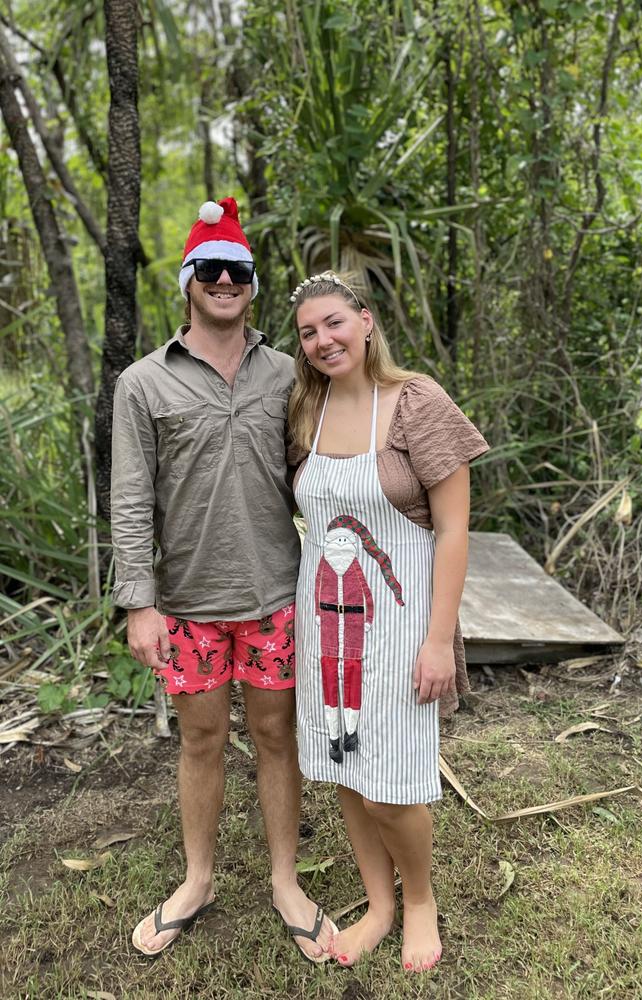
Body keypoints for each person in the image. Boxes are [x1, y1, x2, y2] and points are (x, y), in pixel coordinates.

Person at [110, 200, 336, 962]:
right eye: (208, 269)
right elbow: (132, 498)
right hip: (188, 605)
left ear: (252, 284)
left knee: (277, 736)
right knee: (201, 741)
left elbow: (330, 463)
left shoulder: (289, 372)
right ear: (188, 283)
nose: (223, 281)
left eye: (236, 270)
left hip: (275, 592)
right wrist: (139, 602)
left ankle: (284, 880)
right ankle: (197, 879)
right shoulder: (144, 383)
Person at [287, 271, 489, 973]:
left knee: (391, 781)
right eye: (309, 331)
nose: (323, 341)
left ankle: (421, 898)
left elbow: (455, 532)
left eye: (335, 323)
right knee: (345, 766)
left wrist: (439, 640)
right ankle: (378, 903)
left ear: (367, 321)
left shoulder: (417, 402)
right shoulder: (303, 410)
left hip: (402, 624)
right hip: (325, 621)